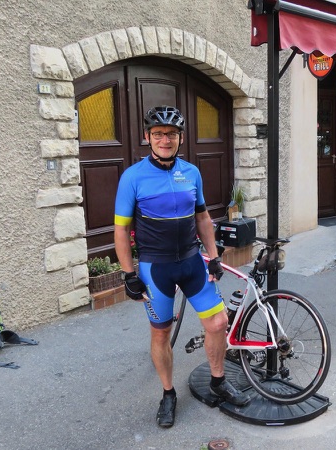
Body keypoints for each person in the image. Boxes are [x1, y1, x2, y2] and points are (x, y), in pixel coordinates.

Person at [114, 105, 250, 428]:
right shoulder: (132, 177)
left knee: (218, 322)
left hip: (191, 262)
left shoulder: (191, 173)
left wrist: (214, 256)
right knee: (161, 333)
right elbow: (120, 229)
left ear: (181, 138)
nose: (165, 139)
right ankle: (168, 393)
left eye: (172, 134)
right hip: (155, 268)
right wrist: (128, 274)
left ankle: (218, 381)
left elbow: (202, 217)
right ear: (147, 137)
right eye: (159, 134)